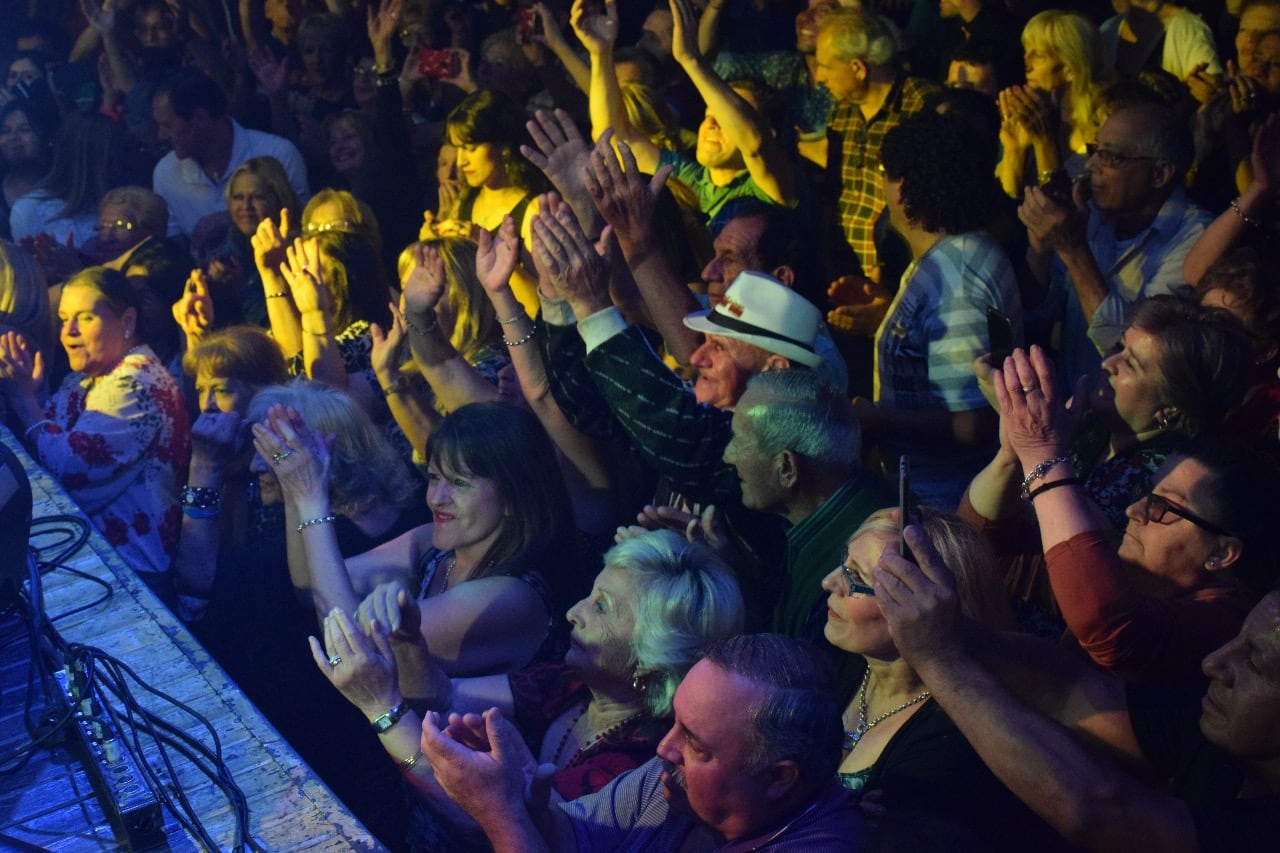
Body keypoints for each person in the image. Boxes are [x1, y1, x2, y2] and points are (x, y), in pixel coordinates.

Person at [313, 529, 744, 847]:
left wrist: (381, 707)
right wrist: (408, 638)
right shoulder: (575, 682)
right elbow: (442, 696)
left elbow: (481, 825)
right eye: (591, 595)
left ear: (651, 661)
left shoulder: (634, 763)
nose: (575, 612)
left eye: (602, 608)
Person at [874, 525, 1280, 853]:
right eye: (1236, 641)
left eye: (1256, 663)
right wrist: (949, 627)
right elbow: (1068, 688)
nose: (1215, 663)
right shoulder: (1215, 726)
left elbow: (1102, 813)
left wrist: (939, 658)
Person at [985, 345, 1280, 684]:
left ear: (1222, 553)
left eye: (1163, 506)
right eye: (1145, 494)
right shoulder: (1139, 577)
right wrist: (1010, 457)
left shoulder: (1224, 621)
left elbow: (1108, 625)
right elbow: (993, 547)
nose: (1134, 510)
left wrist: (1041, 454)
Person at [420, 633, 865, 851]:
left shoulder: (820, 846)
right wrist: (524, 799)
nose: (663, 749)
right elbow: (579, 839)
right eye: (674, 723)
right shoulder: (671, 780)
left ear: (779, 778)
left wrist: (501, 815)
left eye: (698, 746)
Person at [254, 400, 583, 673]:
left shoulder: (513, 597)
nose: (437, 497)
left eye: (459, 483)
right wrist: (295, 484)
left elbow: (355, 653)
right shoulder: (432, 546)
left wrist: (313, 500)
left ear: (513, 496)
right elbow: (310, 586)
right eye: (435, 477)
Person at [820, 508, 1060, 847]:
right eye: (842, 561)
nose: (829, 581)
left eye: (856, 577)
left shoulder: (955, 741)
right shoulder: (841, 663)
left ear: (930, 605)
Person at [853, 110, 1021, 509]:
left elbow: (976, 422)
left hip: (945, 503)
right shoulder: (946, 259)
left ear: (903, 186)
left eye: (884, 173)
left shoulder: (959, 280)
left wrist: (876, 418)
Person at [0, 267, 190, 588]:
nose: (68, 331)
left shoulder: (136, 383)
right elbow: (47, 437)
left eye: (85, 318)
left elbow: (67, 471)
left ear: (127, 322)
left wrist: (22, 400)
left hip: (136, 574)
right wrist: (34, 393)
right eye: (63, 319)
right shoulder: (86, 378)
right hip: (102, 562)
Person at [1020, 101, 1212, 389]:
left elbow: (1128, 350)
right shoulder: (1092, 215)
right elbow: (1039, 317)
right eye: (1094, 149)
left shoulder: (1197, 238)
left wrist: (1074, 251)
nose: (1090, 165)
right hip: (1073, 411)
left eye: (1110, 157)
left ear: (1160, 174)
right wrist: (1040, 250)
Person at [574, 0, 799, 222]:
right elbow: (614, 137)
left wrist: (691, 61)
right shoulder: (693, 181)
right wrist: (601, 55)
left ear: (770, 132)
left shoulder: (773, 190)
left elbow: (754, 143)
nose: (711, 124)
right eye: (708, 115)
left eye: (724, 118)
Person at [151, 71, 308, 237]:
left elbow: (301, 226)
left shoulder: (278, 153)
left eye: (168, 126)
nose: (161, 135)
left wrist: (227, 221)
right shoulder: (165, 173)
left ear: (200, 118)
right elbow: (174, 243)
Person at [997, 10, 1109, 198]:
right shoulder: (1034, 110)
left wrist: (1043, 141)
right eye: (1026, 51)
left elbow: (1059, 203)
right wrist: (1014, 151)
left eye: (1039, 56)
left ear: (1071, 68)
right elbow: (1008, 197)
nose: (1026, 63)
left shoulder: (1103, 119)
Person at [189, 156, 302, 329]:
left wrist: (242, 289)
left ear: (279, 200)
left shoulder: (296, 251)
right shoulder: (216, 246)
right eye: (238, 197)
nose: (246, 206)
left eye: (258, 197)